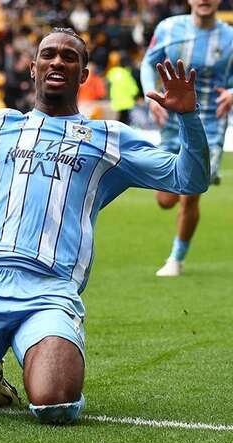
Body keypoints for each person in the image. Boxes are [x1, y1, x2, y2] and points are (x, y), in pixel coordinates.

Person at [0, 19, 208, 424]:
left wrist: (189, 119)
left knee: (53, 404)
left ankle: (36, 348)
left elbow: (189, 178)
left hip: (50, 291)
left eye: (70, 57)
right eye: (49, 54)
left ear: (84, 74)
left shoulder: (110, 138)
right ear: (33, 67)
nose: (58, 61)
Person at [140, 0, 233, 277]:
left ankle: (176, 259)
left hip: (210, 124)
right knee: (166, 199)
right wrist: (150, 98)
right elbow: (148, 62)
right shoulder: (169, 28)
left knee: (190, 195)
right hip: (171, 121)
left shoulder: (229, 36)